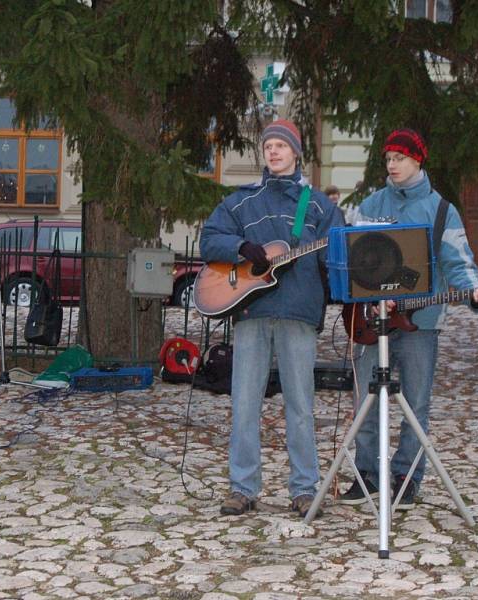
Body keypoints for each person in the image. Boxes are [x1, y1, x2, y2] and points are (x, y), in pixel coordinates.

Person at [340, 128, 478, 510]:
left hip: (421, 323)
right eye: (388, 159)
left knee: (416, 403)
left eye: (400, 159)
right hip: (371, 321)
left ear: (417, 161)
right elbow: (354, 259)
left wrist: (473, 290)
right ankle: (368, 477)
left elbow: (459, 260)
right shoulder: (371, 204)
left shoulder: (443, 210)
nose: (392, 165)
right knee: (366, 402)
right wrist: (367, 302)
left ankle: (406, 479)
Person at [200, 119, 344, 518]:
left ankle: (304, 488)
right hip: (252, 311)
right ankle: (243, 488)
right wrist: (241, 246)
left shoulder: (318, 206)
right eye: (269, 146)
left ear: (296, 152)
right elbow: (209, 239)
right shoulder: (241, 201)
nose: (274, 152)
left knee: (300, 406)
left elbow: (338, 256)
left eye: (282, 146)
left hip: (298, 312)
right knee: (245, 403)